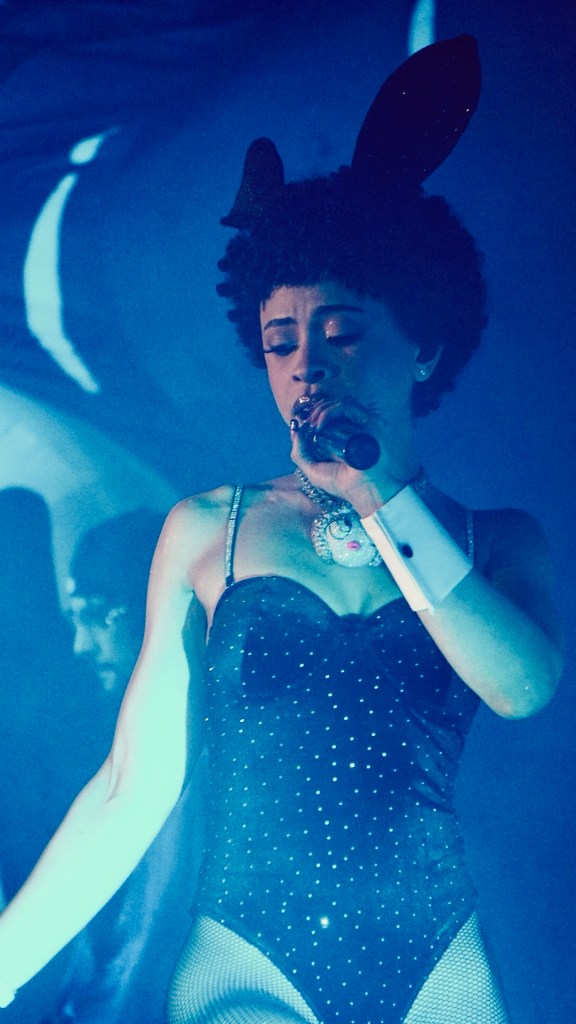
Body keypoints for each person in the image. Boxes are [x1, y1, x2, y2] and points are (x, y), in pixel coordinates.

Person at [0, 36, 564, 1024]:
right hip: (247, 960)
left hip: (441, 962)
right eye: (280, 340)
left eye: (342, 333)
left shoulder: (498, 541)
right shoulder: (207, 530)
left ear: (423, 345)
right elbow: (133, 786)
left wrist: (381, 495)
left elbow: (522, 687)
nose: (308, 366)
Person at [46, 511, 198, 1024]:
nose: (80, 645)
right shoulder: (93, 731)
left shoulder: (195, 751)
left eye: (97, 614)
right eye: (74, 619)